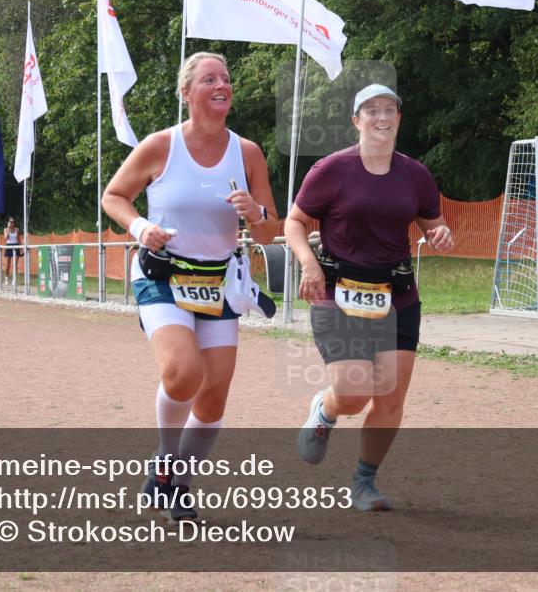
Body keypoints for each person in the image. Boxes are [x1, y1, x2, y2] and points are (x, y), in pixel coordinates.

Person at [102, 52, 278, 522]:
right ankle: (163, 461)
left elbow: (268, 232)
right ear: (187, 92)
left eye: (226, 78)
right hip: (164, 273)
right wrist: (141, 227)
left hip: (218, 280)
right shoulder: (161, 146)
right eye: (209, 79)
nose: (222, 84)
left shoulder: (248, 153)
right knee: (184, 372)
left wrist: (254, 213)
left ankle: (177, 483)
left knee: (214, 394)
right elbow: (114, 196)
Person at [285, 84, 455, 511]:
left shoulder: (414, 174)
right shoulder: (331, 169)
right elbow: (294, 222)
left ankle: (364, 483)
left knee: (391, 396)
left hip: (396, 295)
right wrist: (307, 263)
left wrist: (440, 234)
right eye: (372, 111)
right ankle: (325, 410)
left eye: (390, 110)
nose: (382, 118)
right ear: (356, 120)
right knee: (354, 392)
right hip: (337, 292)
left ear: (399, 118)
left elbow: (432, 223)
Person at [2, 218, 24, 286]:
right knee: (8, 264)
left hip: (16, 246)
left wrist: (21, 249)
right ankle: (6, 279)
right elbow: (6, 238)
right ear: (8, 223)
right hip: (9, 246)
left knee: (15, 264)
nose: (12, 223)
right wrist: (8, 229)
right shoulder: (5, 229)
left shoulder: (17, 230)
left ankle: (14, 280)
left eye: (13, 222)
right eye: (11, 222)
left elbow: (19, 240)